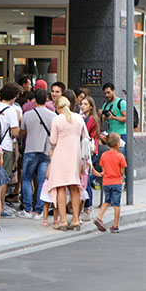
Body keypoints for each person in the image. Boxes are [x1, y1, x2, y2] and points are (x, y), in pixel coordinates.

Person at [47, 96, 88, 230]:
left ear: (57, 108)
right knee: (74, 187)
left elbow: (53, 141)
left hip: (60, 156)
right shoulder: (79, 118)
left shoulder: (57, 120)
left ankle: (63, 221)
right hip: (75, 155)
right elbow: (86, 137)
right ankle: (76, 219)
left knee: (60, 187)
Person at [17, 88, 55, 219]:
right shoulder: (53, 115)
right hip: (46, 151)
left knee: (26, 179)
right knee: (42, 181)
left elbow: (22, 132)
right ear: (47, 99)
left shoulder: (27, 114)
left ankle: (27, 209)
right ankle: (39, 211)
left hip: (31, 149)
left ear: (34, 100)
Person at [0, 82, 21, 223]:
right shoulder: (12, 111)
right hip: (4, 147)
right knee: (2, 179)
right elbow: (15, 132)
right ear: (14, 96)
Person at [93, 132, 126, 233]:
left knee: (107, 201)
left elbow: (103, 169)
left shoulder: (104, 155)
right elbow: (122, 171)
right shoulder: (120, 156)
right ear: (117, 144)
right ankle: (115, 225)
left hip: (106, 182)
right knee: (116, 204)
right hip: (116, 182)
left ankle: (99, 217)